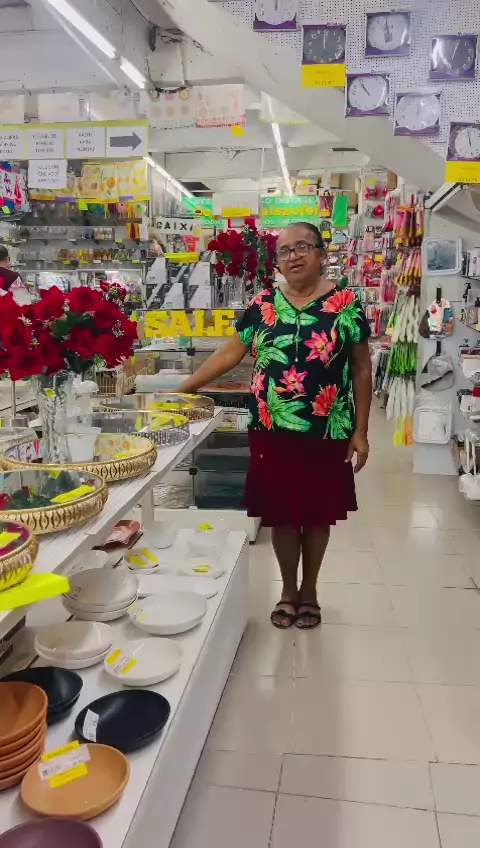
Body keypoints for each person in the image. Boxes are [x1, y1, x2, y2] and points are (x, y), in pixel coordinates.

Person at [178, 222, 372, 629]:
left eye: (303, 247)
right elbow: (230, 353)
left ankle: (310, 591)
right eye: (284, 250)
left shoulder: (346, 303)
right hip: (272, 429)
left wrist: (361, 431)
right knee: (282, 513)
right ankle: (288, 590)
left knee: (316, 514)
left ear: (321, 254)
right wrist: (184, 389)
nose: (293, 256)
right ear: (277, 262)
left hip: (327, 428)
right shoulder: (263, 303)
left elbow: (361, 369)